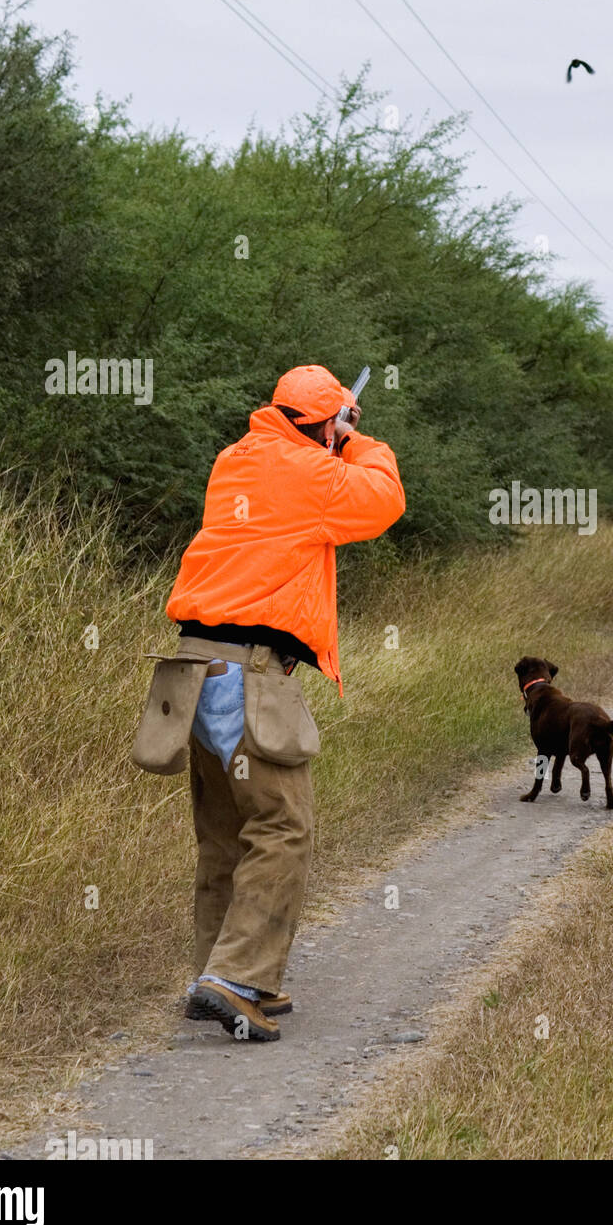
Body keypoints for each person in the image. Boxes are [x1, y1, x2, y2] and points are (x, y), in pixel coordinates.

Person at [161, 364, 404, 1041]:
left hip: (190, 670)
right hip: (246, 672)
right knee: (281, 825)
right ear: (324, 423)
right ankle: (233, 979)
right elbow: (383, 500)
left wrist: (328, 432)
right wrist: (355, 438)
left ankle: (227, 975)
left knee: (224, 837)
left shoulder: (235, 459)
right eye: (334, 421)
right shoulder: (313, 470)